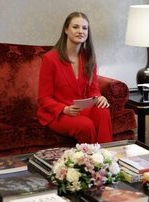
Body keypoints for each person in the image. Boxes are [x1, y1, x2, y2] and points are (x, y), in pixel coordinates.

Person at [37, 12, 112, 144]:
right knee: (86, 126)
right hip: (58, 112)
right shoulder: (50, 59)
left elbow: (93, 90)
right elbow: (44, 98)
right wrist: (64, 109)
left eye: (84, 28)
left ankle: (106, 157)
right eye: (75, 27)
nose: (80, 31)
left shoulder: (88, 57)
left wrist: (99, 97)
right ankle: (90, 161)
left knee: (103, 111)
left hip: (81, 108)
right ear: (66, 30)